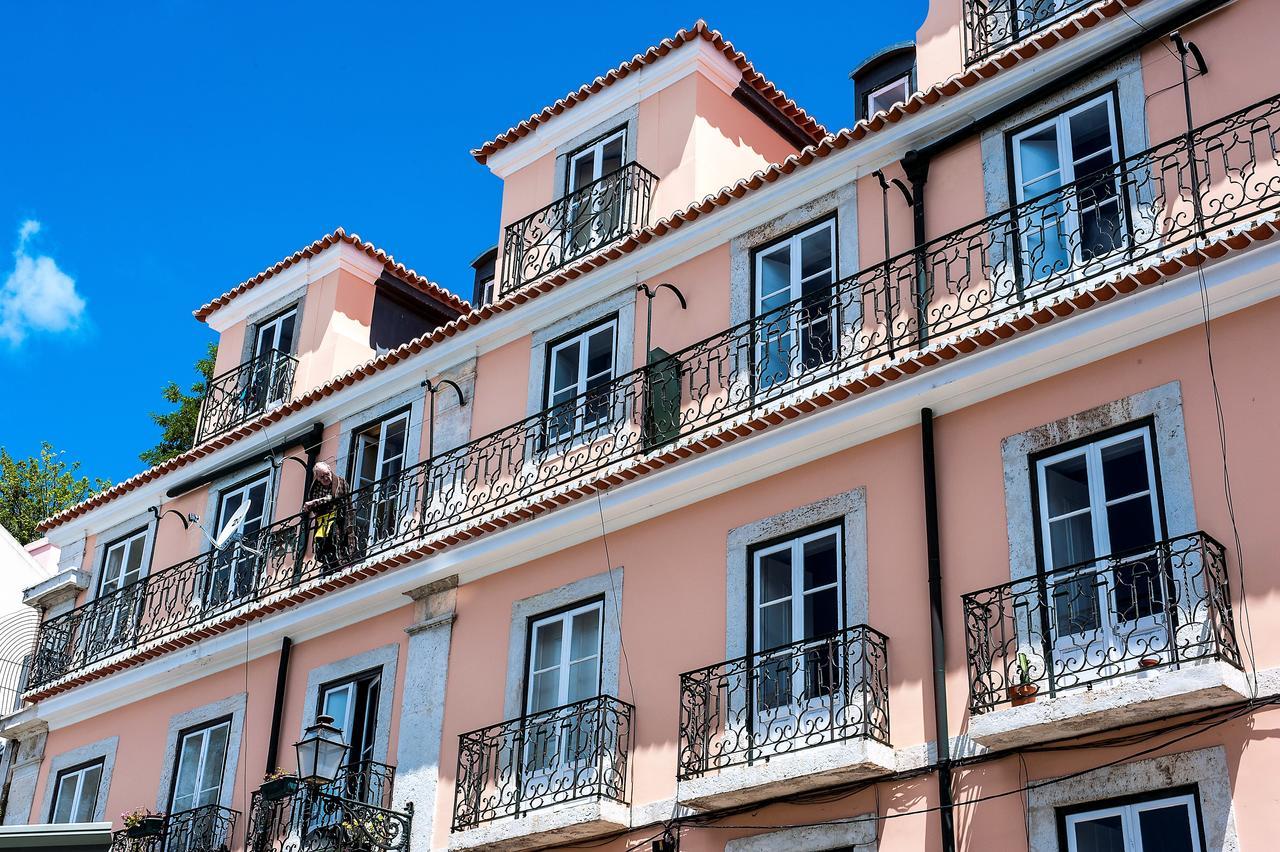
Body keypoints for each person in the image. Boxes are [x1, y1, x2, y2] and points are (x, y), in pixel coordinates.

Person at [303, 461, 352, 571]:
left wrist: (315, 502)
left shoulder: (340, 482)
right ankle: (327, 567)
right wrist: (310, 506)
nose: (325, 478)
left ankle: (342, 565)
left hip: (339, 520)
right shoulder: (315, 488)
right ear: (318, 478)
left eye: (327, 474)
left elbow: (334, 498)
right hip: (323, 522)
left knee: (339, 542)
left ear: (330, 470)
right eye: (322, 477)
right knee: (324, 544)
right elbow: (313, 505)